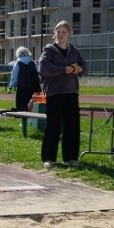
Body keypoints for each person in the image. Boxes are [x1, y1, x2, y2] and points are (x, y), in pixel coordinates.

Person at [37, 20, 87, 169]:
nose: (60, 34)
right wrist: (63, 70)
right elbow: (43, 68)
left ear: (69, 34)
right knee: (53, 126)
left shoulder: (74, 51)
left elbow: (85, 66)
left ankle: (71, 158)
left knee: (72, 126)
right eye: (58, 32)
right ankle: (49, 158)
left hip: (71, 93)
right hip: (55, 93)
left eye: (64, 32)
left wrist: (79, 70)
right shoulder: (49, 50)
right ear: (55, 34)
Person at [8, 46, 41, 112]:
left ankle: (22, 116)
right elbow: (38, 74)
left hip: (21, 87)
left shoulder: (18, 63)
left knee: (21, 104)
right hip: (32, 87)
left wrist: (11, 86)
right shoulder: (33, 62)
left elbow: (14, 76)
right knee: (31, 103)